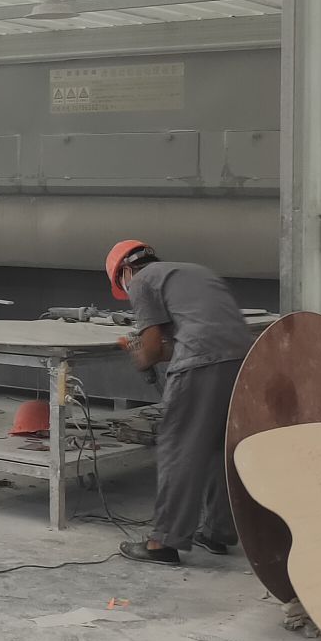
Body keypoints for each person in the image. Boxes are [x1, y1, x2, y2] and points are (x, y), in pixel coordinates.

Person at [105, 239, 253, 566]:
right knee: (219, 449)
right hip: (243, 361)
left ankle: (163, 543)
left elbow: (154, 350)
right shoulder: (196, 272)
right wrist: (153, 350)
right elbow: (190, 340)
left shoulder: (141, 281)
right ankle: (218, 532)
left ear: (125, 271)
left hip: (202, 363)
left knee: (178, 446)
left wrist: (138, 354)